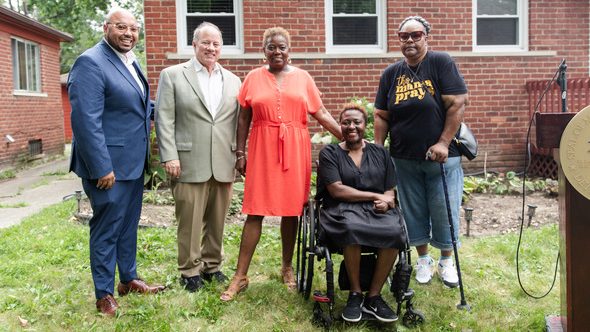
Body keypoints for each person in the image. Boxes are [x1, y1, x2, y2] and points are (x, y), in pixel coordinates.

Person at [220, 27, 343, 301]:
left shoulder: (303, 78)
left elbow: (320, 112)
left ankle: (287, 267)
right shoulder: (252, 78)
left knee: (291, 211)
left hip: (295, 148)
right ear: (264, 51)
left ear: (290, 50)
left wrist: (348, 137)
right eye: (271, 47)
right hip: (263, 147)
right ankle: (240, 275)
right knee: (255, 211)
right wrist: (240, 153)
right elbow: (243, 119)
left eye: (282, 47)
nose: (277, 52)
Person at [68, 8, 165, 316]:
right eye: (121, 27)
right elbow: (85, 121)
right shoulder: (91, 62)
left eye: (134, 29)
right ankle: (104, 294)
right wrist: (101, 167)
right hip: (107, 167)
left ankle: (129, 278)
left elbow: (135, 105)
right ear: (106, 27)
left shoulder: (129, 60)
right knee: (107, 227)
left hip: (133, 163)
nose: (129, 33)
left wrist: (173, 105)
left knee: (127, 225)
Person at [373, 16, 468, 288]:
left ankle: (446, 260)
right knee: (413, 211)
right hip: (403, 157)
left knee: (444, 208)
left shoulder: (440, 62)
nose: (410, 41)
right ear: (399, 40)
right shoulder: (391, 73)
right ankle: (424, 258)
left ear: (427, 36)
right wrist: (379, 149)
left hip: (441, 158)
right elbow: (381, 115)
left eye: (416, 35)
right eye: (404, 37)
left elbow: (457, 104)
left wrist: (443, 142)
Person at [155, 22, 241, 292]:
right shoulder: (173, 75)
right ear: (194, 45)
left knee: (218, 219)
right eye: (206, 43)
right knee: (189, 220)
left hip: (223, 162)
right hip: (187, 160)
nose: (211, 48)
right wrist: (170, 155)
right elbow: (164, 119)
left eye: (216, 44)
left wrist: (239, 154)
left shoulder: (233, 80)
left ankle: (212, 265)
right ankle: (189, 270)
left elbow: (237, 122)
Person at [318, 104, 406, 323]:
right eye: (346, 122)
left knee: (395, 230)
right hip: (342, 208)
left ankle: (374, 296)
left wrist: (386, 203)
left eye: (356, 122)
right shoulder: (330, 153)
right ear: (340, 125)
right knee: (351, 227)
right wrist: (374, 197)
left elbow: (389, 190)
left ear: (365, 126)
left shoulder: (379, 153)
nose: (351, 126)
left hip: (376, 210)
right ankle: (355, 294)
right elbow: (337, 190)